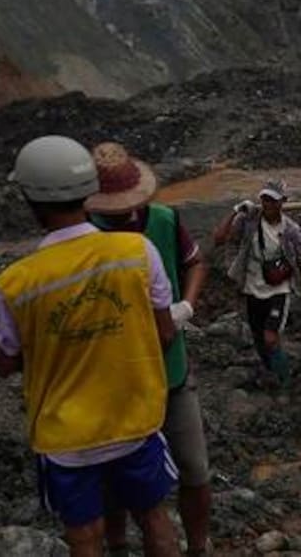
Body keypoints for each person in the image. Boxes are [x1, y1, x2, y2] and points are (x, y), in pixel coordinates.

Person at [0, 136, 181, 557]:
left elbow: (6, 360)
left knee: (85, 535)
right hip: (134, 420)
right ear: (88, 191)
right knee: (153, 517)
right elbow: (166, 332)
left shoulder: (17, 283)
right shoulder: (137, 251)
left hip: (66, 437)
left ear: (30, 200)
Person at [84, 143, 211, 557]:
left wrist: (186, 306)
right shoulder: (86, 235)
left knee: (194, 468)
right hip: (114, 379)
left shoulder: (163, 220)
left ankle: (198, 546)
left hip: (170, 370)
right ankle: (119, 544)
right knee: (113, 476)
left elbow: (195, 262)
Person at [213, 180, 301, 389]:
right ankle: (271, 370)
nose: (268, 204)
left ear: (283, 202)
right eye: (265, 199)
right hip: (252, 288)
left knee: (271, 337)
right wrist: (235, 212)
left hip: (278, 291)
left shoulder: (291, 230)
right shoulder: (249, 221)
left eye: (273, 200)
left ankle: (284, 381)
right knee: (259, 338)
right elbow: (219, 238)